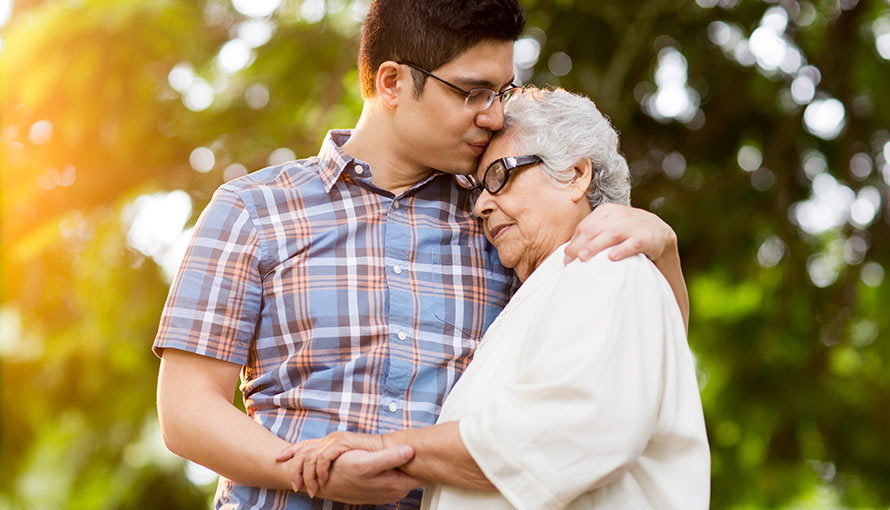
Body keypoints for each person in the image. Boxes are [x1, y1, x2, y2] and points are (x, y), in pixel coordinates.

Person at [153, 1, 690, 509]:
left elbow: (625, 362)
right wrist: (305, 469)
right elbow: (186, 408)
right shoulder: (253, 210)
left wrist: (663, 252)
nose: (494, 116)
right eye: (474, 92)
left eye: (502, 92)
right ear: (392, 82)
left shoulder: (505, 216)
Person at [278, 87, 710, 509]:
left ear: (576, 175)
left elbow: (565, 436)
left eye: (500, 176)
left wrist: (386, 450)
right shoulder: (551, 287)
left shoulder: (609, 268)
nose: (481, 205)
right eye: (477, 189)